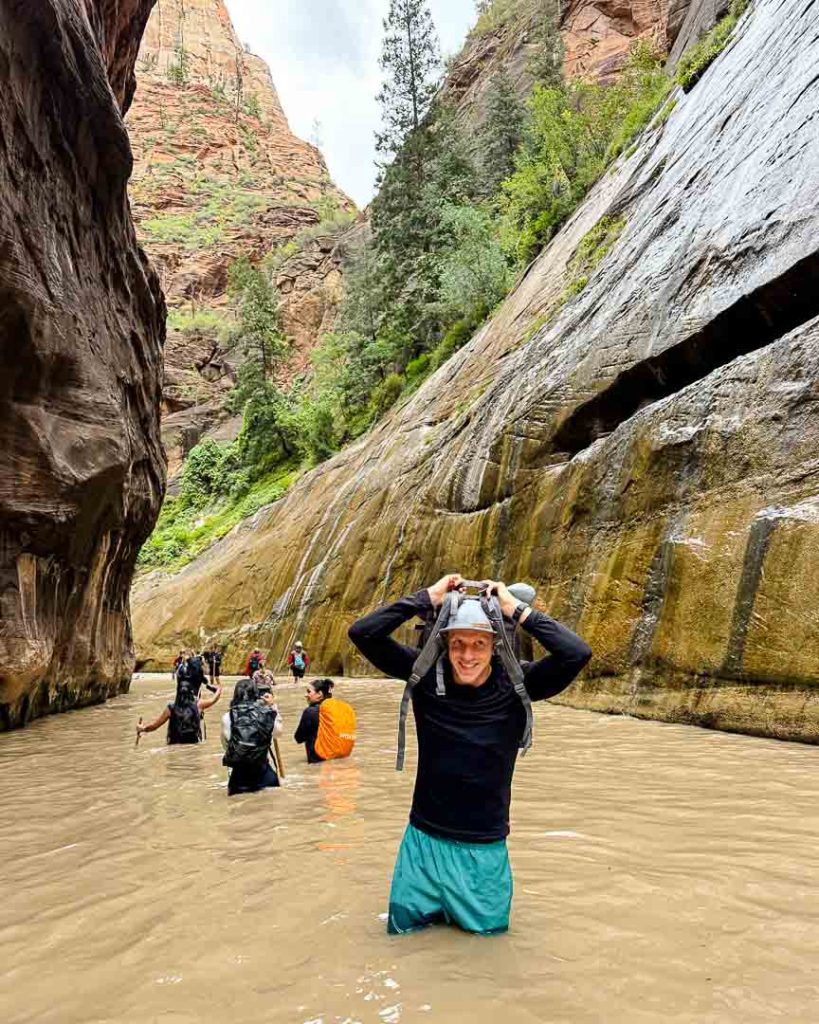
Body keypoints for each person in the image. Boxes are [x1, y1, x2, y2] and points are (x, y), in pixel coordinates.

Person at [348, 573, 592, 936]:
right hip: (422, 845)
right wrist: (426, 597)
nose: (467, 655)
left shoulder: (517, 686)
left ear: (495, 645)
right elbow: (362, 633)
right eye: (458, 643)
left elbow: (577, 653)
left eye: (479, 643)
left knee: (487, 950)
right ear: (444, 643)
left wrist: (515, 609)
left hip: (484, 851)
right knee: (402, 940)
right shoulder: (426, 675)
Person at [221, 678, 282, 795]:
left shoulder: (227, 717)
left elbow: (226, 745)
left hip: (238, 778)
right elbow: (278, 733)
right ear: (257, 695)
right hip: (264, 774)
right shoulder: (266, 714)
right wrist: (273, 708)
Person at [137, 682, 222, 745]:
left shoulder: (171, 708)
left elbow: (154, 726)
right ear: (191, 692)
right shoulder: (198, 705)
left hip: (174, 744)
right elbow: (214, 699)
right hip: (193, 745)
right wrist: (218, 690)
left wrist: (142, 728)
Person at [294, 678, 333, 763]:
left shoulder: (310, 712)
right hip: (335, 760)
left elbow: (298, 738)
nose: (306, 695)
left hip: (317, 762)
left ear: (319, 694)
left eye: (309, 692)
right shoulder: (335, 710)